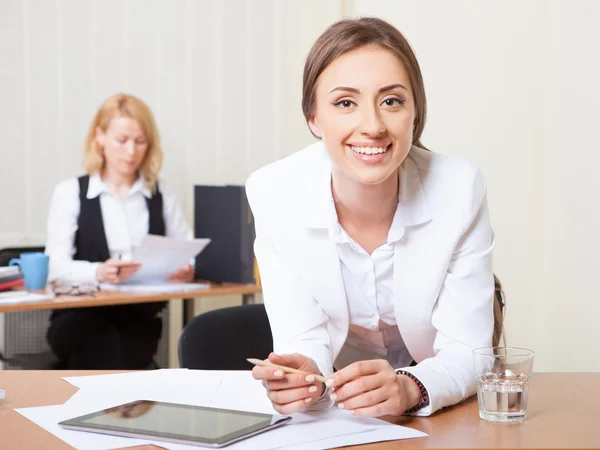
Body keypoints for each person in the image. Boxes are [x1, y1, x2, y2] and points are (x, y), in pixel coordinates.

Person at [246, 17, 502, 417]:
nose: (372, 126)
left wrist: (409, 386)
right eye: (345, 102)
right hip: (342, 406)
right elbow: (303, 336)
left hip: (435, 398)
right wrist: (303, 375)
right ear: (314, 117)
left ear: (415, 113)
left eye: (392, 101)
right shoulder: (274, 192)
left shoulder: (459, 188)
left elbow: (470, 352)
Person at [45, 93, 194, 370]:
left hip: (137, 317)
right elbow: (54, 265)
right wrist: (98, 272)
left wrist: (186, 268)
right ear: (100, 136)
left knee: (128, 344)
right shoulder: (70, 193)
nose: (131, 152)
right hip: (78, 316)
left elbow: (188, 249)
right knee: (102, 343)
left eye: (140, 142)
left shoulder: (160, 194)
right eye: (122, 141)